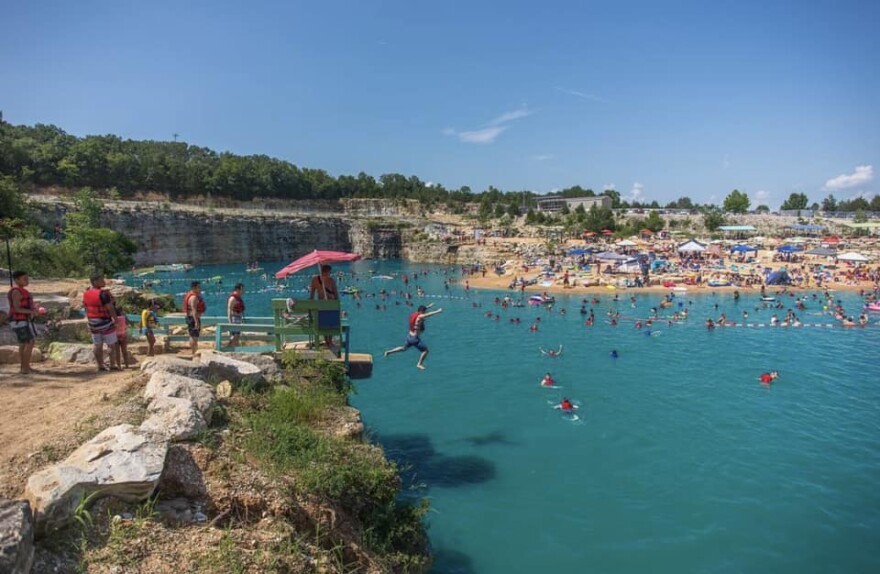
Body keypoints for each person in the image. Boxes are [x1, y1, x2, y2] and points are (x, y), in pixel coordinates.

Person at [383, 304, 443, 370]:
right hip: (415, 339)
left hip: (409, 336)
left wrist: (428, 306)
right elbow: (428, 314)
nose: (424, 313)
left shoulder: (413, 314)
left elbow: (422, 310)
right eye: (424, 312)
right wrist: (438, 311)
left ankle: (388, 352)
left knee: (403, 348)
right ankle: (419, 364)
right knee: (425, 351)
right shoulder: (420, 317)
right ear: (421, 312)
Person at [83, 273, 119, 371]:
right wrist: (116, 320)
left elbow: (86, 308)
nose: (104, 281)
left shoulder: (86, 293)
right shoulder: (103, 294)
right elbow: (110, 308)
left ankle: (100, 366)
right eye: (101, 279)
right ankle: (112, 365)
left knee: (97, 345)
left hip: (93, 323)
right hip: (105, 322)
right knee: (111, 344)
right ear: (95, 282)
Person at [7, 270, 38, 375]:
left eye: (27, 278)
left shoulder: (22, 291)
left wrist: (34, 308)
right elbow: (16, 309)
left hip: (22, 320)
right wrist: (31, 311)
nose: (27, 280)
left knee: (23, 344)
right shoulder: (16, 292)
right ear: (17, 280)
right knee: (29, 342)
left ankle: (25, 366)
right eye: (24, 279)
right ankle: (24, 368)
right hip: (18, 321)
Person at [183, 281, 206, 356]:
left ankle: (194, 351)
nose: (200, 289)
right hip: (193, 319)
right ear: (194, 288)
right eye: (198, 287)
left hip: (190, 318)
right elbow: (194, 310)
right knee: (194, 337)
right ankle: (194, 352)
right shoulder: (194, 297)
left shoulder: (191, 295)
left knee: (192, 335)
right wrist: (196, 322)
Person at [114, 303, 132, 369]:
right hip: (123, 335)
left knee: (117, 352)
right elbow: (128, 323)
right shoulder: (124, 318)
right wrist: (124, 315)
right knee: (124, 351)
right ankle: (127, 365)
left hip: (115, 336)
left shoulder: (113, 318)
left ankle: (119, 365)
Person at [227, 283, 245, 348]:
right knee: (235, 335)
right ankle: (228, 347)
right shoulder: (233, 298)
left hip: (238, 318)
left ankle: (234, 349)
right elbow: (229, 310)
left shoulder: (238, 298)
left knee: (237, 335)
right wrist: (230, 322)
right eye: (242, 289)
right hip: (234, 318)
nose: (243, 291)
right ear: (238, 289)